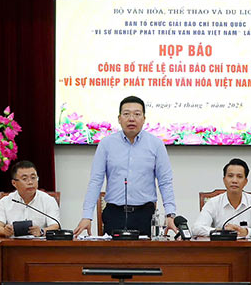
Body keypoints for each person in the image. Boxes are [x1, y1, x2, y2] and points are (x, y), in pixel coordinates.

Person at [74, 96, 177, 236]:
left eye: (137, 114)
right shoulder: (106, 144)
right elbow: (95, 181)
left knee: (145, 257)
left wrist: (170, 215)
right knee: (112, 257)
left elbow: (165, 182)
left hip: (145, 215)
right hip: (114, 214)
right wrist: (87, 216)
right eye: (126, 114)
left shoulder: (156, 145)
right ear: (119, 118)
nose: (131, 118)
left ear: (144, 119)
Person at [192, 158, 251, 238]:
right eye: (230, 176)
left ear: (245, 181)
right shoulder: (213, 203)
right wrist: (219, 232)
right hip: (220, 248)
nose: (234, 180)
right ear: (224, 180)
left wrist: (246, 232)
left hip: (247, 249)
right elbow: (196, 228)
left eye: (239, 176)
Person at [0, 160, 60, 237]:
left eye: (33, 177)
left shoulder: (48, 200)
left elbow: (55, 226)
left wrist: (41, 231)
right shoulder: (5, 202)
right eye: (24, 179)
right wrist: (4, 231)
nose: (30, 182)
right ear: (14, 183)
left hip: (39, 246)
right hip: (13, 246)